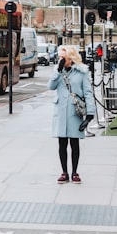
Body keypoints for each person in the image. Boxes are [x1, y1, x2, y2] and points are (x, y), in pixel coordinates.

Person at [47, 45, 96, 184]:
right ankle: (64, 172)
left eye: (63, 57)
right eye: (59, 57)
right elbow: (50, 86)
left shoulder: (82, 72)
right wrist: (57, 70)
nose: (60, 59)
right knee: (62, 143)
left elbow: (88, 92)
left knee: (74, 143)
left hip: (74, 111)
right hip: (60, 111)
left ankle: (75, 172)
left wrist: (90, 113)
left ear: (70, 57)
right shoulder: (58, 71)